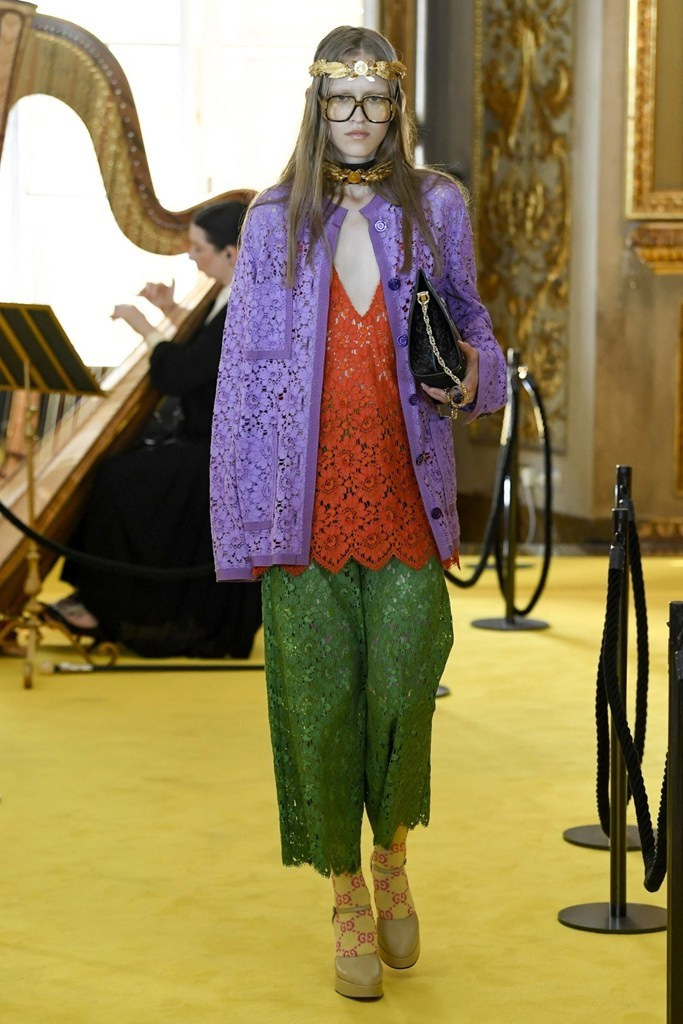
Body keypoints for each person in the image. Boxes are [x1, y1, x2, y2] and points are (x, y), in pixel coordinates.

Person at [209, 26, 507, 999]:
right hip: (302, 511)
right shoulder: (271, 221)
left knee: (405, 688)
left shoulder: (435, 206)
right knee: (321, 702)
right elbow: (242, 382)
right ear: (316, 105)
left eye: (374, 101)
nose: (358, 118)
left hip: (405, 495)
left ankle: (393, 856)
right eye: (340, 99)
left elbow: (470, 320)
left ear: (394, 108)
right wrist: (244, 530)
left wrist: (475, 375)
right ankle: (345, 894)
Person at [47, 201, 262, 659]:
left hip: (223, 456)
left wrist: (144, 325)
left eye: (199, 249)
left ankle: (104, 605)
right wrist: (170, 311)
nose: (191, 258)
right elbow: (203, 351)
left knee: (117, 480)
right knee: (121, 473)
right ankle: (93, 599)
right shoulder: (229, 294)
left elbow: (178, 374)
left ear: (231, 253)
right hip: (205, 442)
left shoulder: (248, 301)